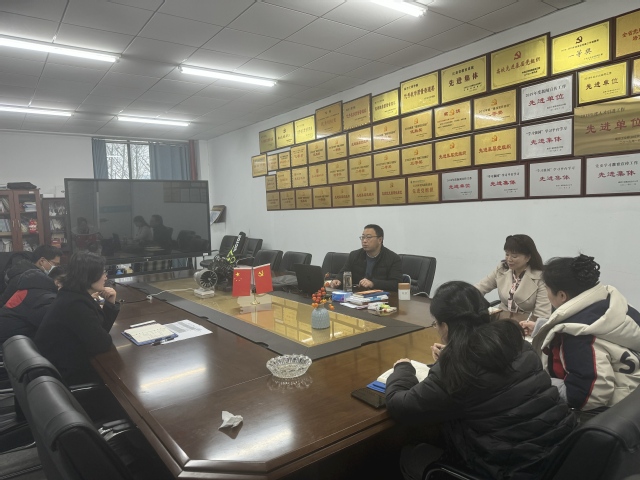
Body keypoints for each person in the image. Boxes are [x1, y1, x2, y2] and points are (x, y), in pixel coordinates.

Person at [385, 281, 576, 480]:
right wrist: (450, 358)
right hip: (562, 455)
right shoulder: (517, 343)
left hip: (513, 471)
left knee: (411, 455)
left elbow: (400, 406)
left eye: (436, 324)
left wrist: (403, 368)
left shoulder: (457, 369)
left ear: (445, 327)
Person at [530, 254, 640, 412]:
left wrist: (540, 384)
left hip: (612, 412)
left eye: (547, 289)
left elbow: (586, 396)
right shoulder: (611, 304)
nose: (547, 295)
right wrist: (542, 326)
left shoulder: (575, 335)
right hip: (633, 395)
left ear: (562, 296)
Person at [35, 252, 119, 385]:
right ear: (89, 275)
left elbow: (101, 331)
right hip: (65, 375)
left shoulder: (73, 295)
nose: (105, 276)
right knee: (118, 374)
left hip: (61, 366)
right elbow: (102, 344)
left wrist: (110, 304)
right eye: (102, 272)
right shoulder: (75, 304)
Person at [475, 234, 551, 318]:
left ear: (528, 257)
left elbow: (542, 315)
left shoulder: (541, 278)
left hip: (526, 321)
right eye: (507, 254)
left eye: (514, 256)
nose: (509, 259)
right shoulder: (502, 269)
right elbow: (480, 288)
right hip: (501, 318)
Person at [0, 266, 65, 345]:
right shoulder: (44, 298)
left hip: (9, 341)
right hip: (9, 345)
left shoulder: (33, 289)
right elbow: (55, 329)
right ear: (58, 282)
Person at [330, 224, 402, 291]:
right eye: (363, 237)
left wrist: (373, 283)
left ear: (380, 240)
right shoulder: (354, 255)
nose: (364, 241)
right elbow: (344, 272)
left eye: (369, 237)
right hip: (356, 295)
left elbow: (396, 284)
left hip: (381, 297)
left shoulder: (393, 258)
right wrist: (338, 279)